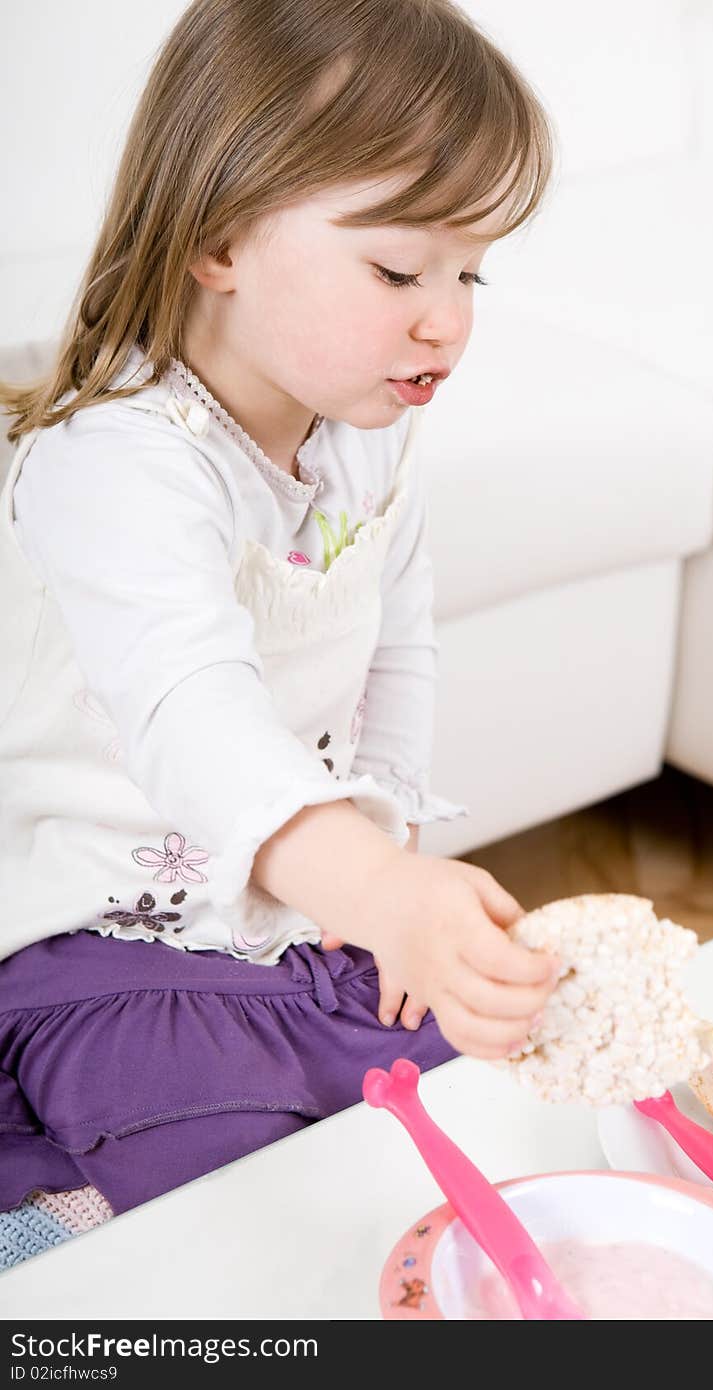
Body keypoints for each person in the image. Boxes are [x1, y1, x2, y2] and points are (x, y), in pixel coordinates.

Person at [0, 0, 558, 1220]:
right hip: (102, 945)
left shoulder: (369, 442)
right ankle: (58, 1220)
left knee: (492, 1110)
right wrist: (374, 893)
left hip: (291, 918)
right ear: (218, 241)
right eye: (401, 268)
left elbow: (396, 651)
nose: (447, 317)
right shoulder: (114, 461)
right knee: (247, 1186)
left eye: (472, 271)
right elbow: (190, 712)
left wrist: (392, 870)